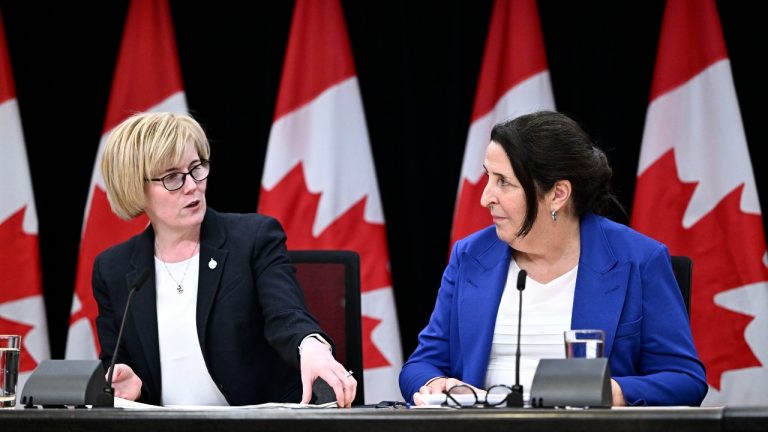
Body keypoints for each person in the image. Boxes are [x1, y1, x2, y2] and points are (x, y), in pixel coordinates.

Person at [399, 111, 707, 406]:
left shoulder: (639, 260)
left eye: (503, 182)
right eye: (488, 177)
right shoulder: (470, 256)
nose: (486, 196)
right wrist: (438, 384)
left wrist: (610, 392)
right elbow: (422, 364)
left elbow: (685, 380)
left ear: (558, 194)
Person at [93, 112, 356, 407]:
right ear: (134, 188)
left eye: (196, 168)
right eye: (172, 178)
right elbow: (118, 364)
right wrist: (129, 384)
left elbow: (286, 315)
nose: (192, 185)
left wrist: (310, 346)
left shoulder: (253, 239)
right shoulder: (113, 270)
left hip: (255, 427)